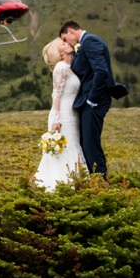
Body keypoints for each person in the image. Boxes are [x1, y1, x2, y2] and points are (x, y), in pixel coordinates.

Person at [60, 20, 114, 178]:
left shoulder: (89, 41)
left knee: (91, 144)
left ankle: (100, 181)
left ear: (71, 31)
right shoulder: (85, 43)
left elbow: (101, 71)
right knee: (87, 142)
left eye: (65, 39)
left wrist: (92, 99)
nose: (66, 43)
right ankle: (94, 179)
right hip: (89, 100)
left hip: (95, 101)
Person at [34, 37, 87, 191]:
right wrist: (56, 120)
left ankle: (74, 181)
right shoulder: (61, 67)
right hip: (63, 115)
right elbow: (56, 95)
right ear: (59, 53)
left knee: (72, 145)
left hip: (71, 114)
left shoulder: (68, 67)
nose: (67, 44)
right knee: (65, 148)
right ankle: (63, 184)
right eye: (63, 44)